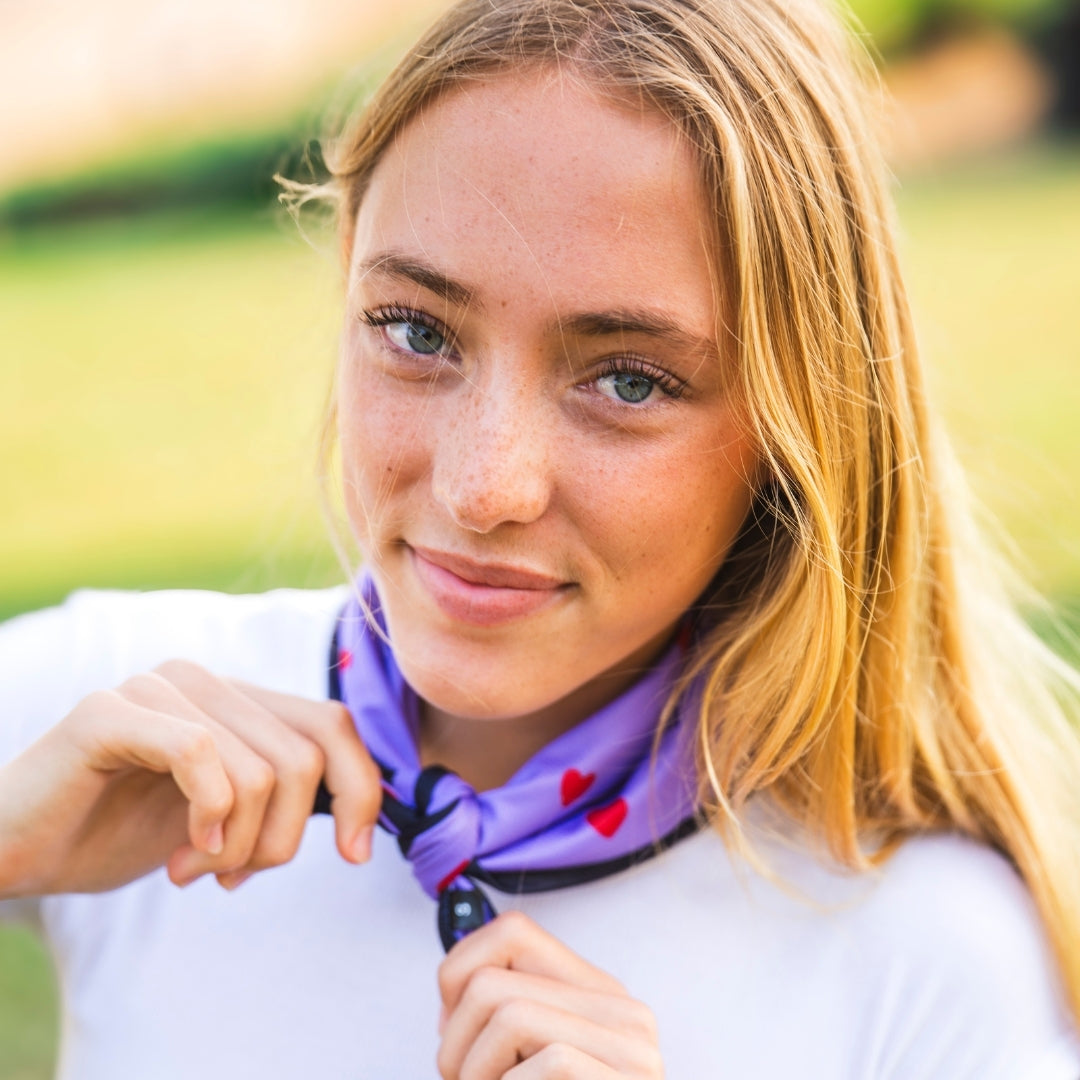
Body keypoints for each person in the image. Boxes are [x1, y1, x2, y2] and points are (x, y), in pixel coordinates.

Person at [2, 0, 1079, 1075]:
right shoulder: (120, 727)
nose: (483, 488)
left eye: (628, 380)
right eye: (416, 332)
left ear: (797, 430)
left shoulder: (928, 958)